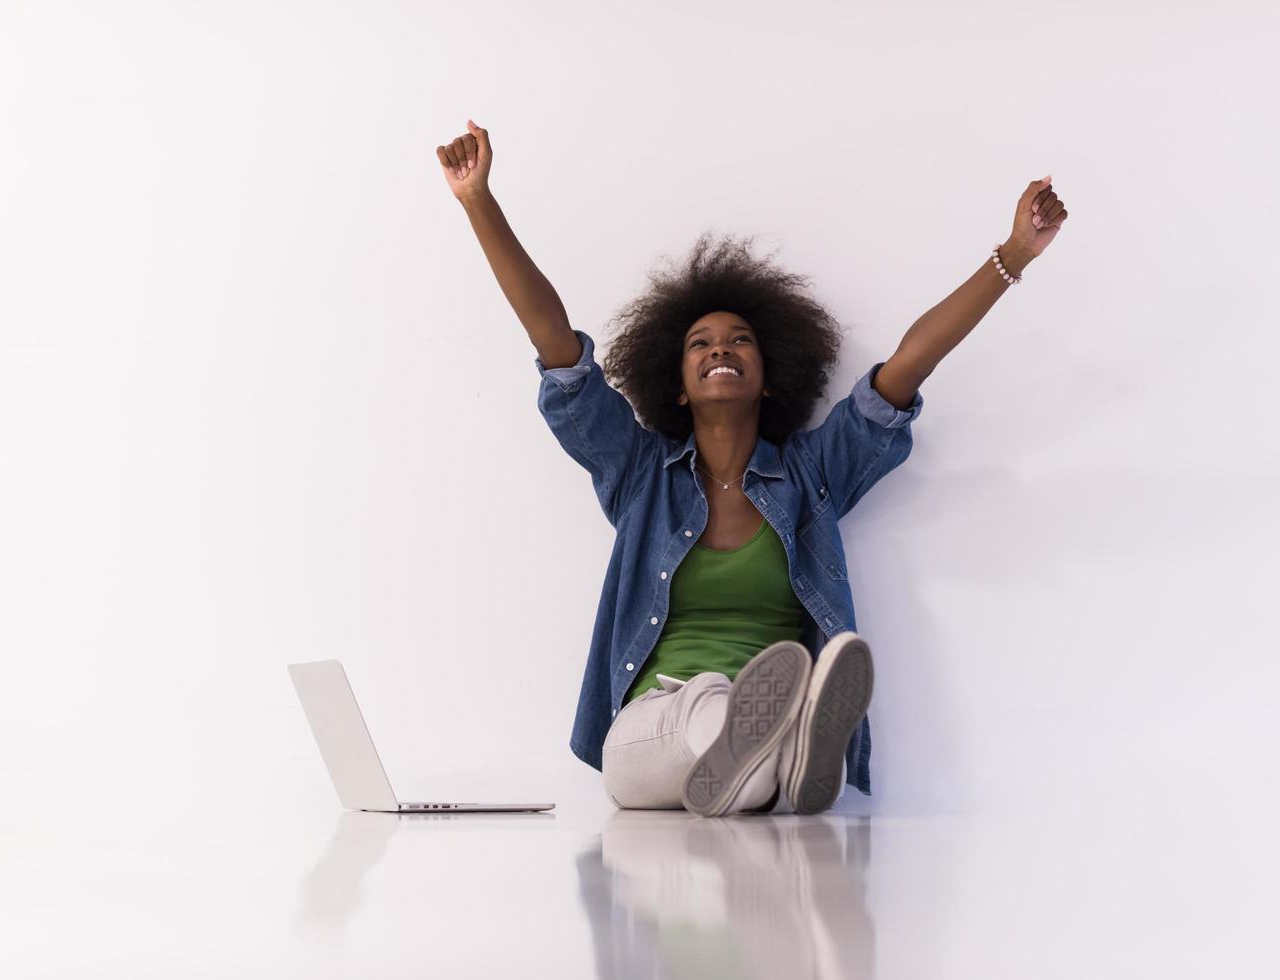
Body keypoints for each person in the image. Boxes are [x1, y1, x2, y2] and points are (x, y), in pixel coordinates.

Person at [437, 119, 1067, 817]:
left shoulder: (810, 476)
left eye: (740, 341)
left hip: (745, 750)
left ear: (770, 377)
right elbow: (557, 347)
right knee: (704, 716)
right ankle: (779, 748)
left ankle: (771, 757)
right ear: (675, 383)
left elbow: (907, 365)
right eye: (699, 343)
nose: (719, 349)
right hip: (655, 728)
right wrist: (478, 202)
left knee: (745, 763)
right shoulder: (640, 474)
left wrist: (1012, 255)